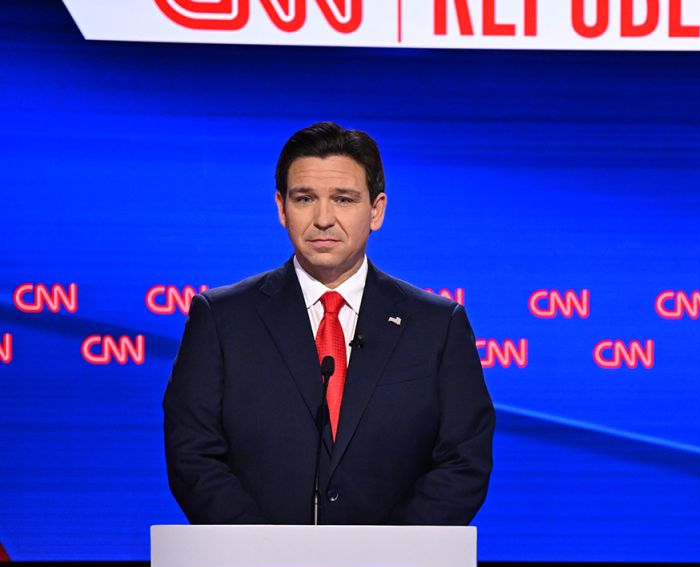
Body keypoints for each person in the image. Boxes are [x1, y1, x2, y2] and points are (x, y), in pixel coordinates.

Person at [164, 122, 495, 525]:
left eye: (343, 199)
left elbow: (464, 461)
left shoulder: (437, 325)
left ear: (376, 211)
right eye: (304, 199)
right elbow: (193, 456)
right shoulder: (220, 318)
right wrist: (263, 556)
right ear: (282, 209)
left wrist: (388, 560)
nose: (323, 218)